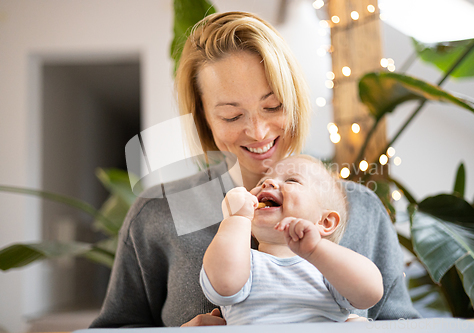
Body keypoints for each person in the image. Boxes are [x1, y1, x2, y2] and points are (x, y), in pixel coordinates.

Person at [90, 11, 420, 328]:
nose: (259, 132)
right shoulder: (156, 214)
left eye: (273, 106)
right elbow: (115, 328)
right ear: (204, 118)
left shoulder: (361, 209)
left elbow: (406, 325)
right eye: (232, 116)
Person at [201, 155, 384, 325]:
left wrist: (316, 250)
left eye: (291, 180)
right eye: (261, 182)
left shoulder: (328, 269)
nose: (268, 183)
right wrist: (236, 219)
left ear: (325, 222)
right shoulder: (242, 263)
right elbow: (223, 285)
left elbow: (370, 293)